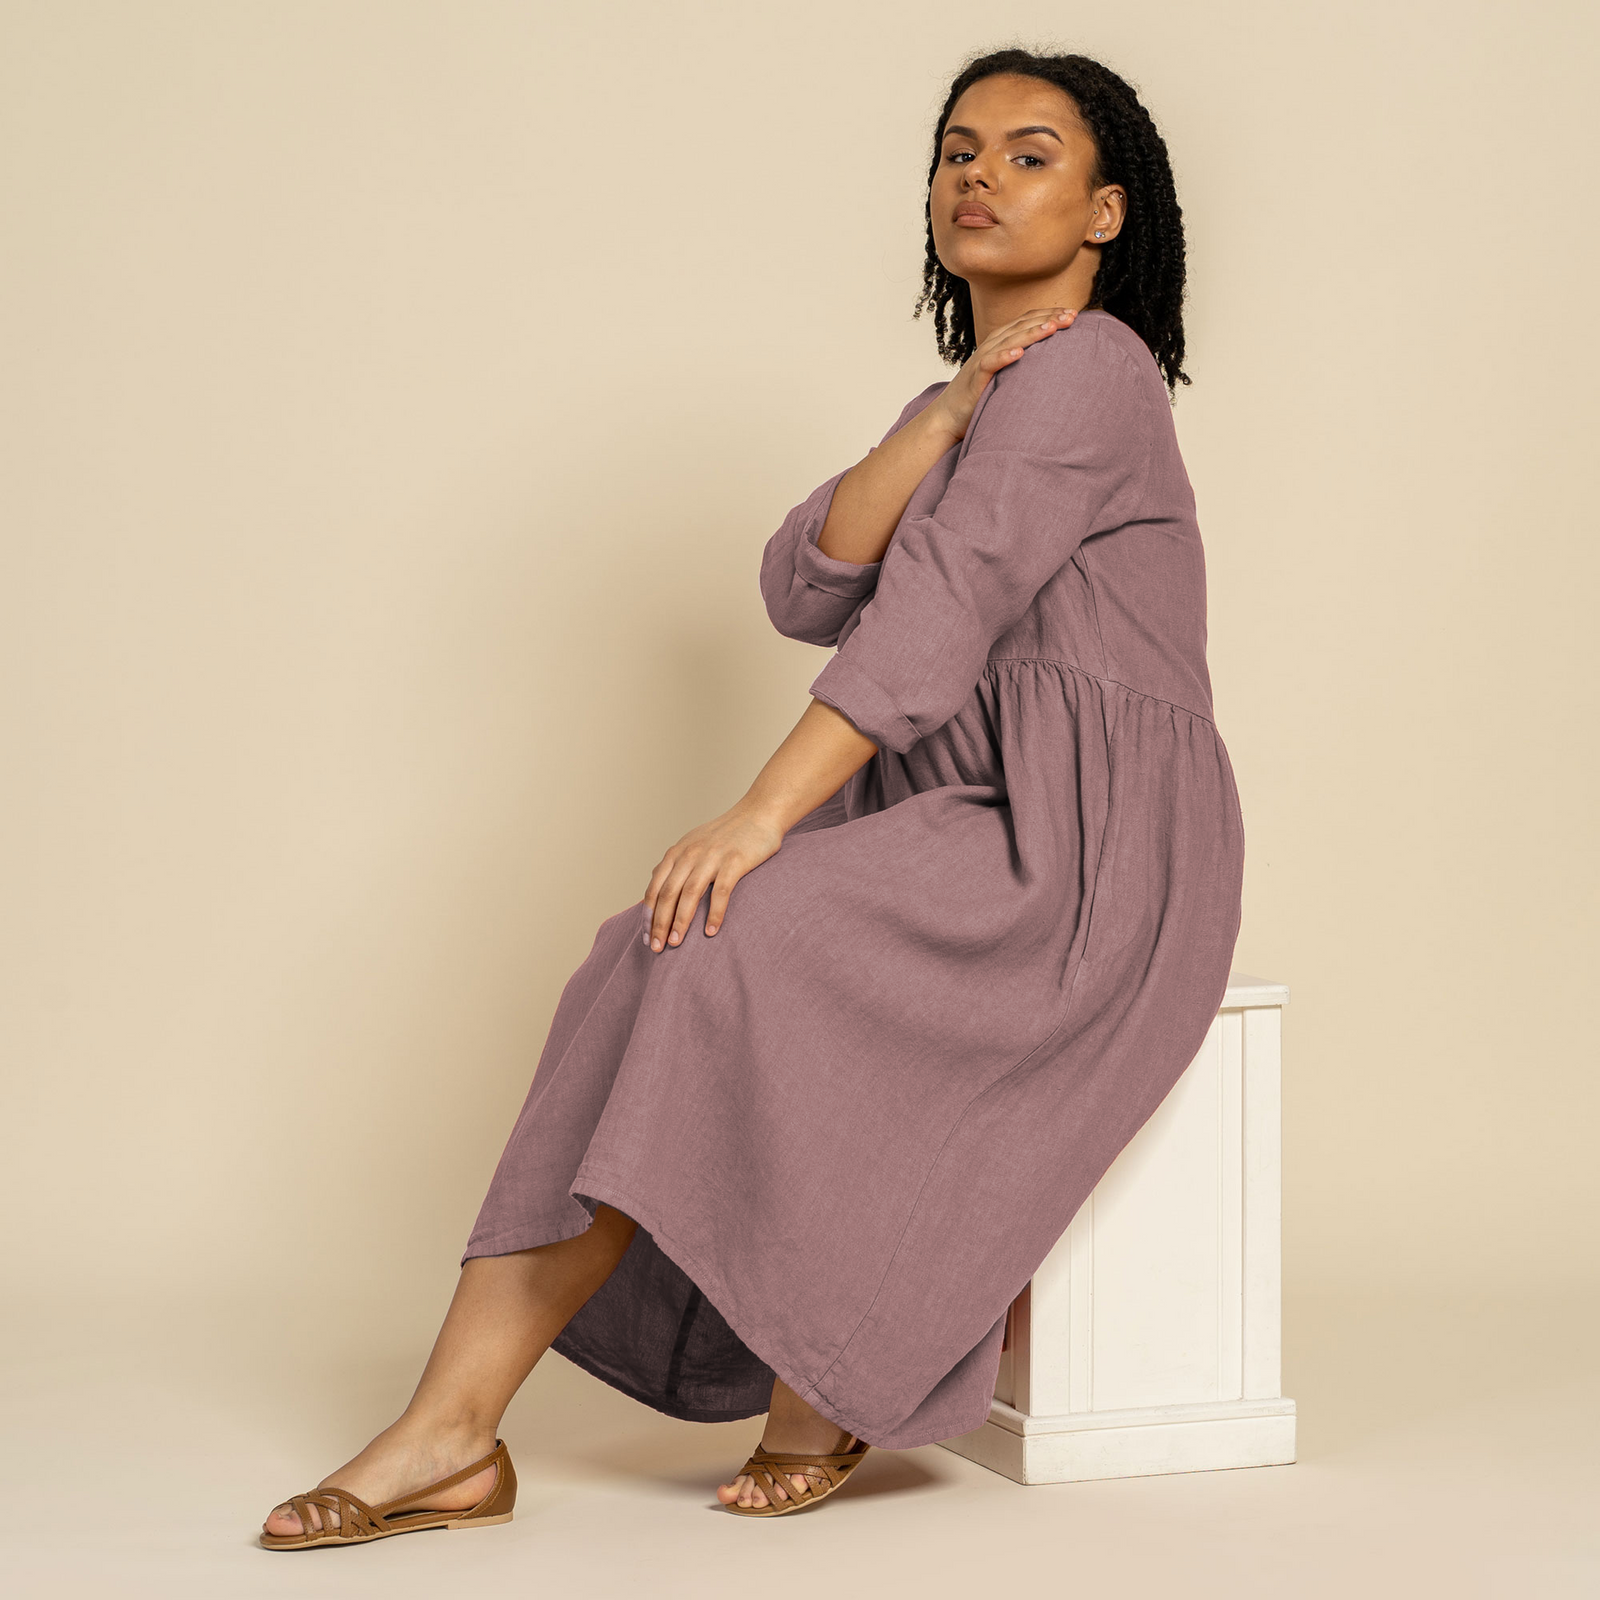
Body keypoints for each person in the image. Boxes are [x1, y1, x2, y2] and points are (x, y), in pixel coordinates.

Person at [259, 44, 1245, 1547]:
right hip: (954, 807)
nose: (978, 175)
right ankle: (449, 1428)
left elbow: (936, 616)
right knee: (636, 950)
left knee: (730, 925)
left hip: (1086, 850)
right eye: (957, 149)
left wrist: (759, 814)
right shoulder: (985, 395)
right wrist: (943, 409)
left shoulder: (1095, 374)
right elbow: (807, 579)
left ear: (1108, 212)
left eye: (1029, 155)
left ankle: (823, 1370)